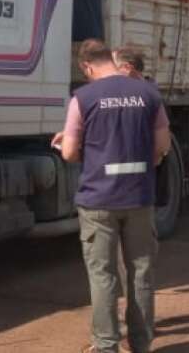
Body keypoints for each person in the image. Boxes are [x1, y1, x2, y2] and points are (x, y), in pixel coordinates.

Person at [53, 39, 171, 353]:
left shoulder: (83, 98)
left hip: (98, 201)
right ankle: (142, 343)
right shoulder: (149, 95)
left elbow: (69, 153)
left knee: (103, 275)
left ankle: (106, 345)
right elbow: (162, 147)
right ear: (111, 58)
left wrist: (72, 145)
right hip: (139, 198)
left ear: (87, 66)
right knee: (141, 271)